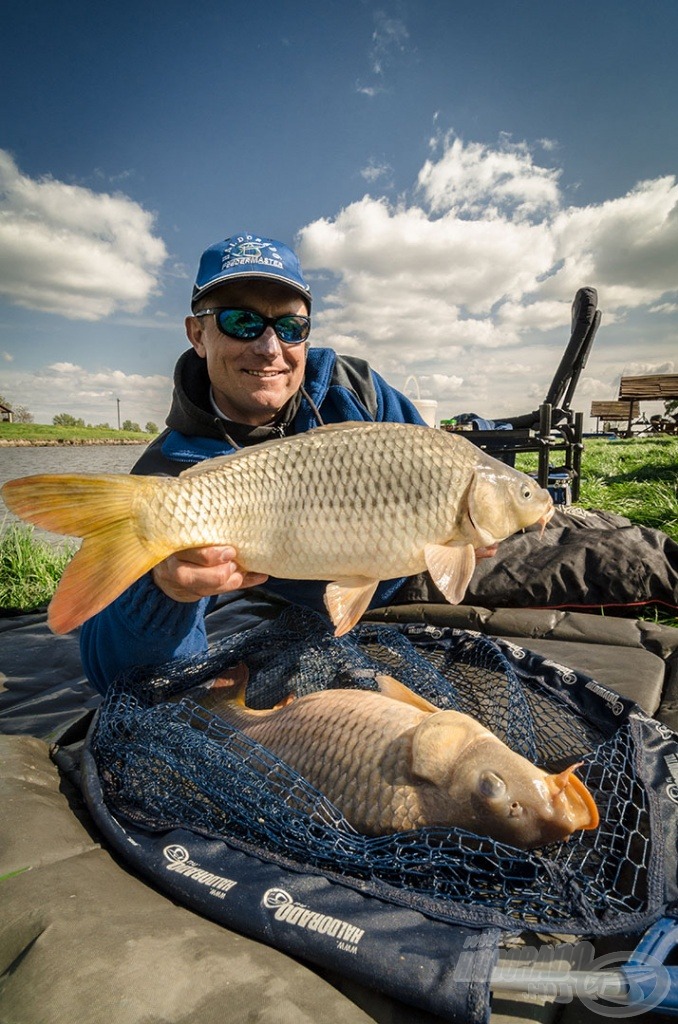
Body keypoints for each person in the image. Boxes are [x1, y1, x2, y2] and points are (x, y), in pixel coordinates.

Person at [80, 233, 427, 693]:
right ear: (197, 334)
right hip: (305, 610)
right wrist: (165, 591)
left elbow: (435, 465)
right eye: (242, 321)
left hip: (416, 579)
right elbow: (117, 675)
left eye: (289, 328)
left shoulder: (355, 390)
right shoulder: (168, 476)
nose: (269, 348)